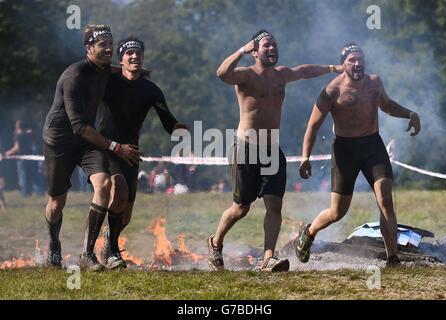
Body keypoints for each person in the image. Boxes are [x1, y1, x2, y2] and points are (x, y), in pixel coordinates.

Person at [208, 30, 343, 272]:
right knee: (241, 208)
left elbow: (304, 71)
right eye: (267, 45)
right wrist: (241, 49)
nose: (272, 49)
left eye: (275, 45)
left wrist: (334, 68)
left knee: (274, 205)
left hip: (272, 149)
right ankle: (215, 243)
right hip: (246, 148)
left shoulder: (281, 75)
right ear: (255, 51)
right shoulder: (246, 76)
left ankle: (267, 258)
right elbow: (222, 73)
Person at [294, 42, 421, 267]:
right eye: (352, 60)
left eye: (360, 58)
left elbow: (388, 105)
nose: (357, 63)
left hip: (373, 145)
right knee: (337, 211)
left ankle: (393, 258)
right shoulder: (332, 90)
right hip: (345, 150)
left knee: (385, 200)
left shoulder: (374, 83)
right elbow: (312, 126)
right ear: (343, 65)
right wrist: (305, 156)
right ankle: (310, 232)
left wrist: (410, 114)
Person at [42, 25, 141, 270]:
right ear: (88, 48)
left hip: (86, 140)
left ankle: (87, 255)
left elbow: (115, 70)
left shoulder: (105, 68)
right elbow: (78, 126)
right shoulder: (73, 76)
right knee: (57, 202)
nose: (109, 48)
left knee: (104, 184)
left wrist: (136, 72)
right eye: (102, 45)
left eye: (110, 43)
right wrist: (117, 147)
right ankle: (54, 244)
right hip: (61, 141)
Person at [98, 36, 187, 269]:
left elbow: (168, 121)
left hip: (132, 151)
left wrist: (180, 129)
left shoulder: (151, 89)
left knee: (125, 214)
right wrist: (118, 69)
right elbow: (90, 65)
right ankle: (113, 253)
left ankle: (109, 240)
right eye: (129, 53)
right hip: (107, 146)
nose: (135, 56)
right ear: (121, 58)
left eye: (138, 53)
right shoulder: (108, 81)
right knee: (119, 189)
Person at [5, 120, 43, 197]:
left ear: (18, 127)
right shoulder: (30, 134)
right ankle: (39, 192)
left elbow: (17, 148)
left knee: (23, 177)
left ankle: (25, 194)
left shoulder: (18, 135)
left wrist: (7, 153)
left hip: (22, 159)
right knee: (35, 176)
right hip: (32, 158)